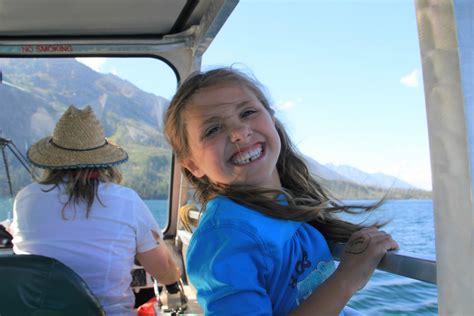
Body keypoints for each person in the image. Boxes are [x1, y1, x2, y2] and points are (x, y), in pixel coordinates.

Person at [164, 68, 399, 315]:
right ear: (192, 165)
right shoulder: (223, 237)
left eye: (248, 112)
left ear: (272, 118)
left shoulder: (280, 207)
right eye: (213, 130)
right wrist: (347, 278)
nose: (239, 133)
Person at [10, 105, 181, 316]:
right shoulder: (126, 200)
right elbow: (162, 270)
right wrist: (174, 279)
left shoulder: (26, 198)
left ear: (53, 160)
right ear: (105, 163)